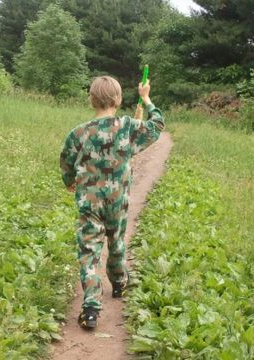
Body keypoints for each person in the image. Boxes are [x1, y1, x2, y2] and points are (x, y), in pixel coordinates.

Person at [59, 76, 165, 329]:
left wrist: (69, 181)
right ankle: (119, 282)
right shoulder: (129, 127)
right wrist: (147, 98)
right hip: (117, 202)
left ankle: (91, 308)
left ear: (91, 100)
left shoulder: (79, 132)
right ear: (118, 100)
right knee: (116, 241)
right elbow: (157, 126)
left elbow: (66, 162)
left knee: (89, 252)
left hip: (90, 203)